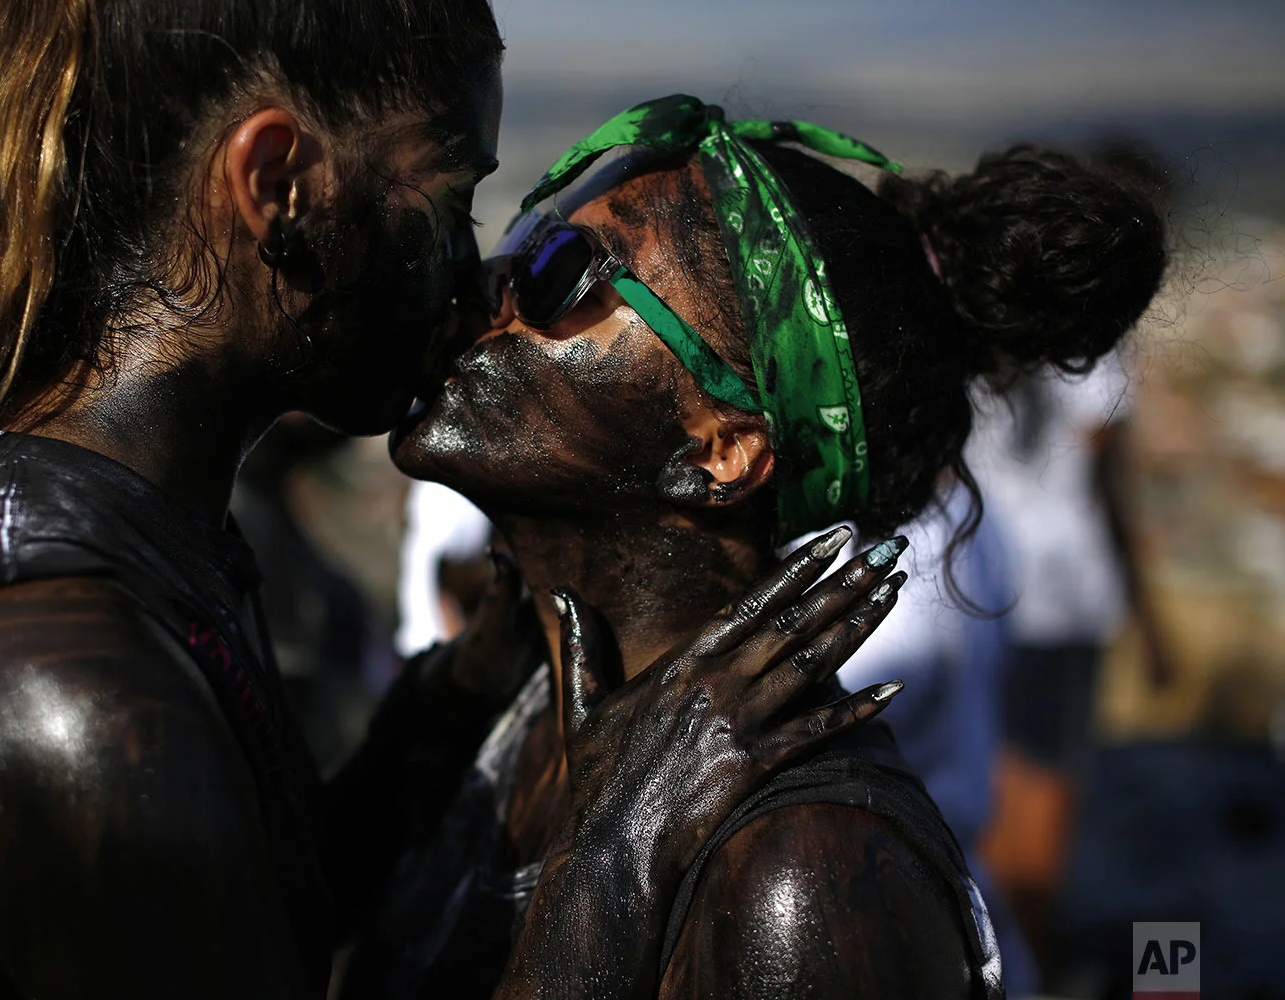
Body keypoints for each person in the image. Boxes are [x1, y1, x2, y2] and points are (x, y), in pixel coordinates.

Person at [0, 7, 902, 999]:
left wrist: (444, 715)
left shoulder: (145, 536)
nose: (473, 274)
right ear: (278, 187)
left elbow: (239, 900)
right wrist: (613, 850)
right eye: (455, 195)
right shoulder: (63, 696)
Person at [361, 94, 1169, 998]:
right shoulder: (510, 708)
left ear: (721, 446)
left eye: (560, 269)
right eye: (525, 234)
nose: (490, 284)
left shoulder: (804, 877)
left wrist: (610, 864)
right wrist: (437, 715)